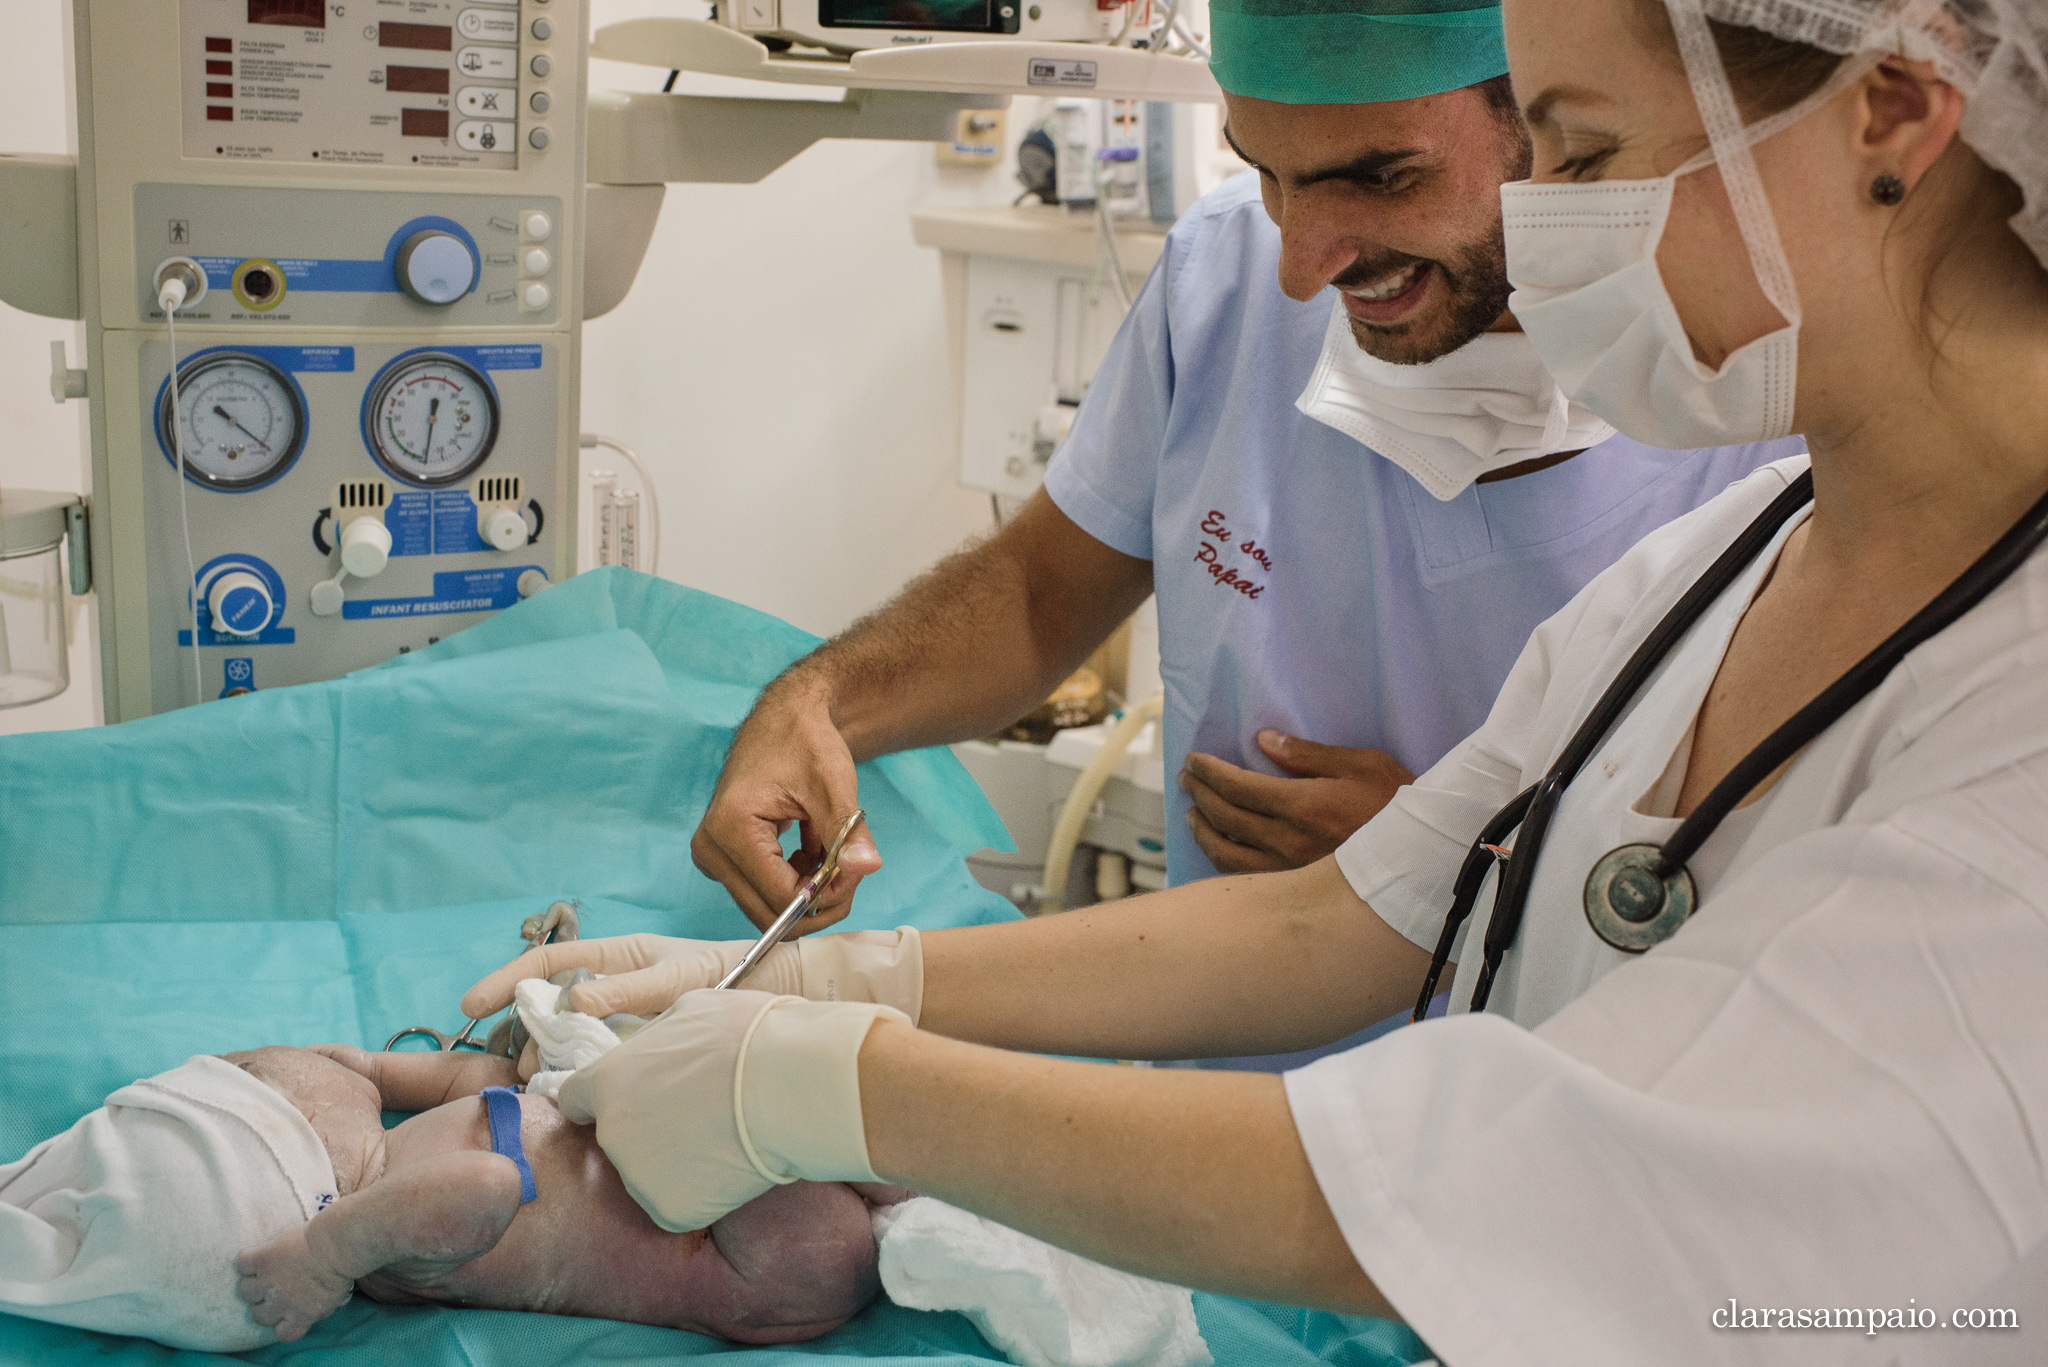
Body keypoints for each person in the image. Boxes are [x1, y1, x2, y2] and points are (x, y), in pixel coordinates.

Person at [467, 0, 2048, 1357]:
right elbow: (1344, 915)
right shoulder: (1737, 555)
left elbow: (1495, 1188)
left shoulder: (2008, 712)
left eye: (1580, 154)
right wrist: (834, 980)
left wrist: (833, 1082)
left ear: (1894, 113)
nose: (1305, 268)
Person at [693, 0, 1802, 954]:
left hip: (1521, 1108)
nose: (1302, 261)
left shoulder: (1744, 378)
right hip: (1216, 1075)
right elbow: (1038, 592)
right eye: (1264, 171)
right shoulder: (1221, 274)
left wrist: (1460, 853)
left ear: (1550, 114)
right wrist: (818, 703)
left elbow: (1795, 854)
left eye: (1381, 175)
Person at [0, 1045, 896, 1350]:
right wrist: (382, 1070)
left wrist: (325, 1256)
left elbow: (490, 1179)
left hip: (286, 1211)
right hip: (752, 1259)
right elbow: (487, 1085)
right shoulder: (418, 1220)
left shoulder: (410, 1204)